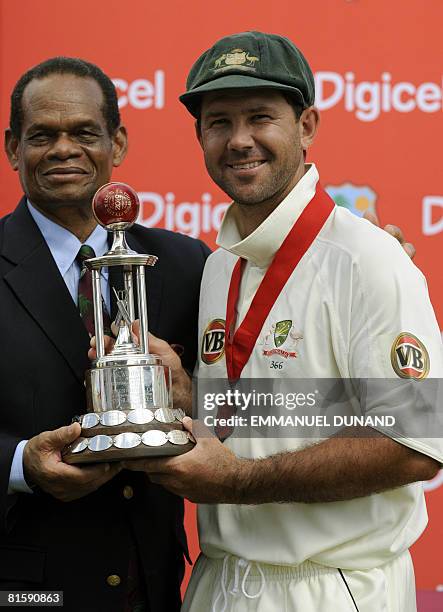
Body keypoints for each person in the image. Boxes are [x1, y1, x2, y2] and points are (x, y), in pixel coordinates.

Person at [122, 32, 443, 611]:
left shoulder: (366, 258)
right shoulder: (221, 265)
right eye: (219, 122)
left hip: (332, 586)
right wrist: (192, 396)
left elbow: (415, 443)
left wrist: (238, 483)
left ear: (308, 125)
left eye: (260, 117)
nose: (240, 140)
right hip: (220, 581)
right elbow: (282, 416)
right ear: (199, 137)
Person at [0, 57, 209, 612]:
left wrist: (357, 264)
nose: (64, 149)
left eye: (84, 133)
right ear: (11, 147)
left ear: (117, 144)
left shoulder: (187, 264)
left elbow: (241, 406)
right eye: (43, 134)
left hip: (153, 586)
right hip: (26, 591)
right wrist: (20, 466)